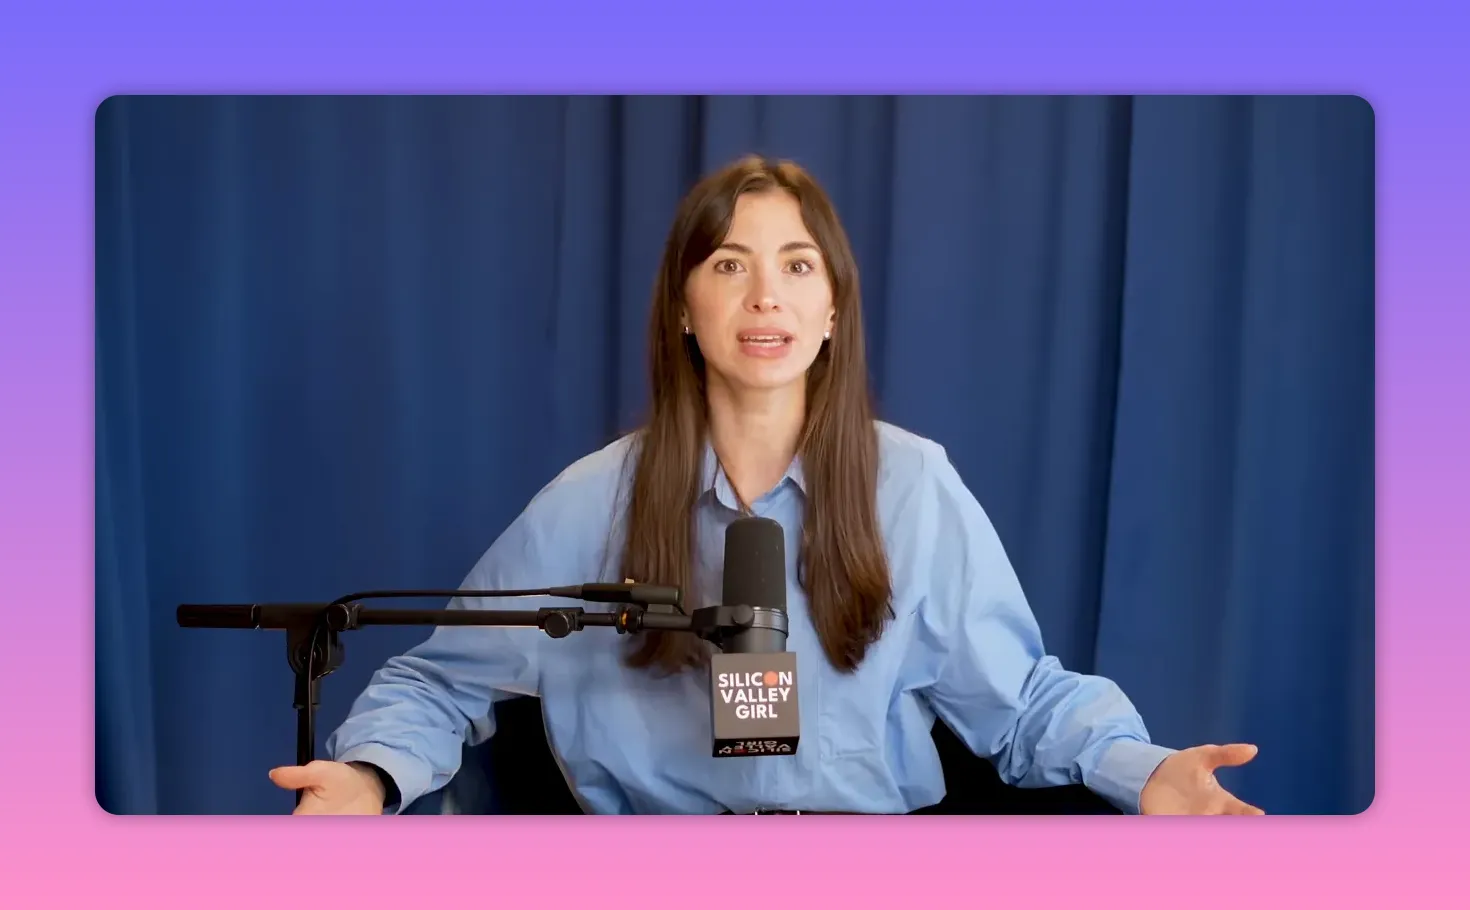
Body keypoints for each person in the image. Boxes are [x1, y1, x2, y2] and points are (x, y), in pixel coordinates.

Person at [268, 155, 1264, 816]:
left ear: (831, 309)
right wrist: (366, 776)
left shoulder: (911, 486)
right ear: (685, 310)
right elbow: (439, 682)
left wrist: (1150, 773)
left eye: (795, 264)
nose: (765, 295)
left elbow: (1025, 701)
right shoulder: (592, 501)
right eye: (730, 264)